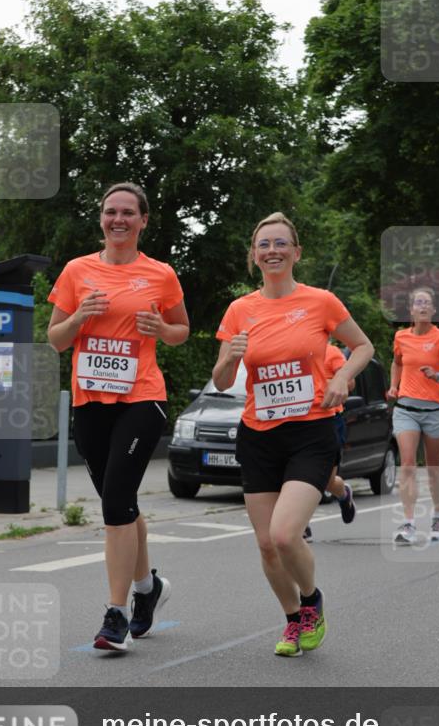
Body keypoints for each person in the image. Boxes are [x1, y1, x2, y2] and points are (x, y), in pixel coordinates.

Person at [213, 212, 374, 657]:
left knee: (285, 535)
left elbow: (363, 346)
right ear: (254, 256)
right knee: (266, 545)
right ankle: (291, 621)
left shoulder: (321, 302)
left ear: (296, 252)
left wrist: (342, 379)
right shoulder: (240, 310)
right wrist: (230, 359)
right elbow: (224, 380)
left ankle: (311, 601)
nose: (272, 251)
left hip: (311, 432)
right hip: (258, 435)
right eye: (263, 244)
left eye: (281, 243)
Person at [47, 183, 189, 650]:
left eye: (129, 212)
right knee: (121, 502)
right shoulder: (76, 270)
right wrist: (79, 317)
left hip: (141, 399)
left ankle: (115, 614)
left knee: (114, 505)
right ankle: (150, 590)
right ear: (102, 219)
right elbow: (57, 340)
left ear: (143, 220)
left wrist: (161, 328)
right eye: (111, 212)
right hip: (91, 403)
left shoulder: (161, 274)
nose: (119, 220)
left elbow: (181, 331)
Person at [388, 287, 439, 545]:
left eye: (427, 303)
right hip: (406, 409)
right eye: (418, 303)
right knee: (407, 464)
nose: (422, 306)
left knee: (433, 467)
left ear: (433, 310)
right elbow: (397, 362)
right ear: (411, 310)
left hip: (435, 410)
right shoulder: (401, 336)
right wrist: (393, 385)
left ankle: (438, 515)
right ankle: (408, 523)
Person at [303, 344, 356, 543]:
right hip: (296, 420)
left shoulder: (332, 352)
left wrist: (321, 382)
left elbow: (350, 383)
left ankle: (343, 494)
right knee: (293, 473)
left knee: (324, 480)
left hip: (329, 419)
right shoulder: (291, 350)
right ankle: (302, 524)